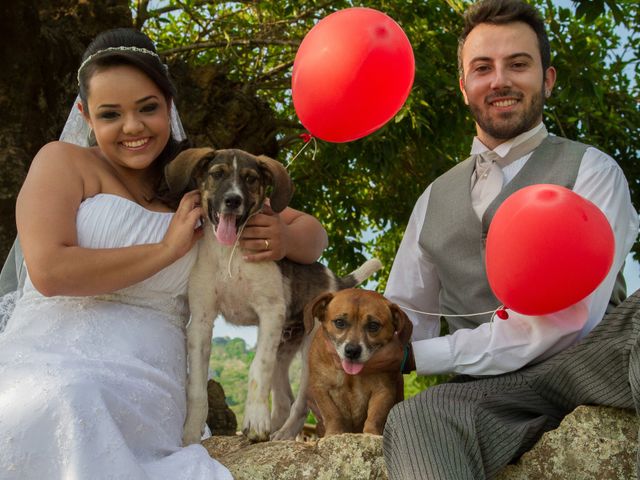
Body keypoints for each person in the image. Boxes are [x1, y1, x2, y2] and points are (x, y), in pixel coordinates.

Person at [0, 28, 328, 479]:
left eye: (148, 108)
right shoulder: (64, 162)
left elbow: (311, 232)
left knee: (78, 395)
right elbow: (50, 270)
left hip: (145, 369)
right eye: (110, 114)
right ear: (85, 115)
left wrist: (285, 239)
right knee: (50, 397)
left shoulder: (195, 181)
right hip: (47, 350)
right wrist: (166, 249)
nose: (132, 127)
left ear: (169, 107)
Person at [380, 1, 639, 479]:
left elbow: (574, 317)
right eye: (482, 68)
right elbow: (399, 321)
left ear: (548, 79)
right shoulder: (431, 199)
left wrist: (428, 355)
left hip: (590, 365)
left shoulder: (594, 169)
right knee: (417, 418)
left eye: (518, 64)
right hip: (483, 394)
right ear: (464, 88)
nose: (499, 80)